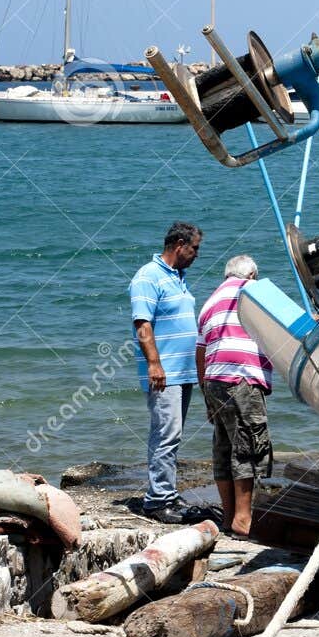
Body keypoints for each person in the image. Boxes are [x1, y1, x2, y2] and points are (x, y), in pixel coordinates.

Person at [198, 254, 277, 537]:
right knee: (248, 446)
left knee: (224, 446)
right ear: (252, 275)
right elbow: (287, 322)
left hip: (214, 380)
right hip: (242, 379)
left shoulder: (209, 303)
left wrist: (206, 394)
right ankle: (243, 519)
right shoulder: (253, 291)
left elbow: (200, 352)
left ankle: (229, 515)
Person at [130, 221, 203, 524]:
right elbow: (142, 324)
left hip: (183, 371)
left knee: (173, 433)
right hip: (166, 371)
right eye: (194, 248)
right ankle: (157, 501)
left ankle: (167, 493)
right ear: (179, 245)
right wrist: (154, 364)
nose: (197, 254)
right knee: (166, 433)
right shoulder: (149, 277)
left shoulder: (177, 277)